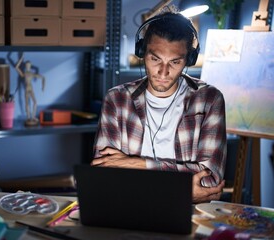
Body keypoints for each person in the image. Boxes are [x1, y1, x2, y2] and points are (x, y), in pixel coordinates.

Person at [91, 10, 227, 203]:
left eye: (175, 61)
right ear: (142, 52)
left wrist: (138, 164)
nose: (163, 72)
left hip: (186, 215)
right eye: (155, 59)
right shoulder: (117, 99)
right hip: (128, 206)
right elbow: (104, 175)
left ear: (189, 60)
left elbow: (208, 181)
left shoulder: (209, 99)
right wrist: (181, 189)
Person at [15, 55, 45, 126]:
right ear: (25, 66)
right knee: (27, 103)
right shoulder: (24, 74)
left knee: (35, 102)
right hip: (27, 89)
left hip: (31, 88)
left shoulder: (32, 74)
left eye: (29, 65)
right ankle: (28, 117)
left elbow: (42, 77)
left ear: (30, 66)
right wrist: (21, 60)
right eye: (27, 65)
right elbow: (16, 67)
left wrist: (43, 86)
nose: (28, 66)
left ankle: (33, 116)